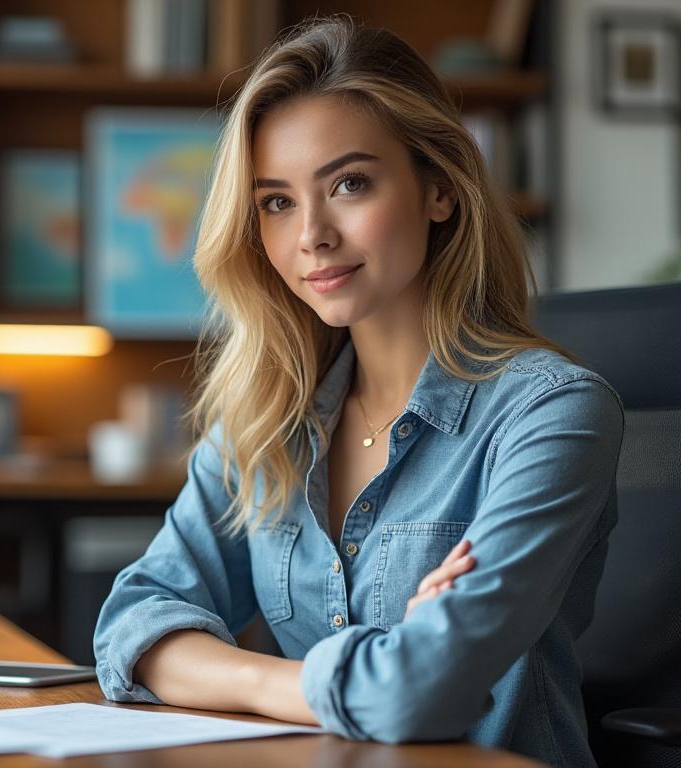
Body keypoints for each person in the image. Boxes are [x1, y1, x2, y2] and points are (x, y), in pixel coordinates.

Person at [92, 16, 624, 766]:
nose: (311, 234)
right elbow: (130, 623)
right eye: (276, 201)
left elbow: (420, 696)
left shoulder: (552, 414)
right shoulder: (263, 418)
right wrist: (351, 673)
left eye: (349, 184)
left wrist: (229, 674)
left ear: (438, 189)